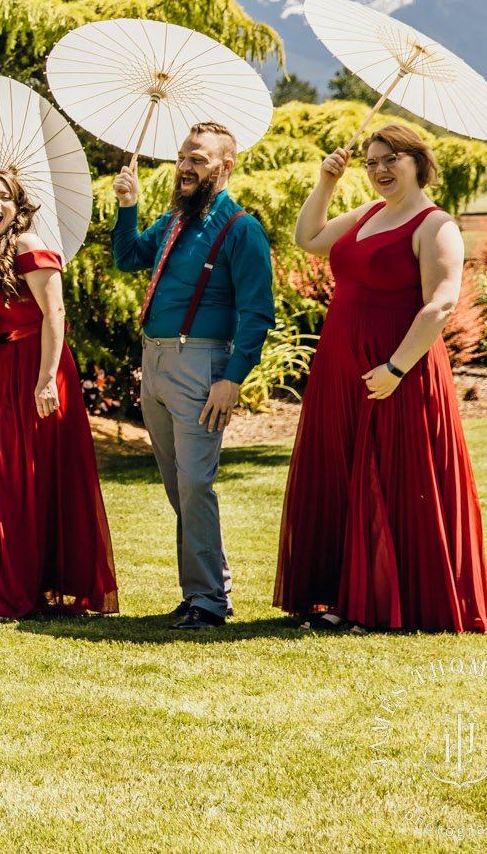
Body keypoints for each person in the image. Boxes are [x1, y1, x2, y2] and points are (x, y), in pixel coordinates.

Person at [274, 124, 487, 633]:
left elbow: (440, 302)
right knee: (343, 474)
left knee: (388, 478)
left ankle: (384, 603)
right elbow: (307, 238)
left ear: (418, 161)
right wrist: (327, 183)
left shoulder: (435, 224)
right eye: (371, 161)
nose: (380, 169)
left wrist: (397, 368)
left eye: (391, 159)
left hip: (397, 370)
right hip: (341, 366)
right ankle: (342, 596)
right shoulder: (369, 213)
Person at [111, 121, 274, 630]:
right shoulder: (173, 221)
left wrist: (233, 378)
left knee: (196, 484)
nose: (184, 166)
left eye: (197, 159)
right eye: (182, 156)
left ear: (225, 166)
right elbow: (127, 258)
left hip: (202, 366)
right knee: (176, 486)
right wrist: (127, 206)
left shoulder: (242, 228)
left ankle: (208, 600)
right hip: (155, 361)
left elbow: (258, 312)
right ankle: (200, 592)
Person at [0, 169, 117, 624]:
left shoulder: (28, 245)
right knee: (13, 481)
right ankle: (0, 593)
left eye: (4, 196)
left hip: (40, 368)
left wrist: (46, 379)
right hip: (5, 367)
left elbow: (55, 312)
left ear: (17, 206)